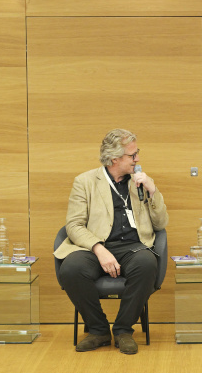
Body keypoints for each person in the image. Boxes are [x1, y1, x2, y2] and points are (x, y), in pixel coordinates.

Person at [55, 129, 169, 355]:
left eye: (137, 154)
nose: (137, 159)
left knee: (146, 265)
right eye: (132, 155)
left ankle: (123, 330)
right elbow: (74, 225)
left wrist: (152, 189)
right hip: (95, 245)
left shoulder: (140, 181)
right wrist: (99, 249)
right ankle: (98, 330)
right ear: (115, 158)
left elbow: (161, 223)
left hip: (133, 246)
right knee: (71, 269)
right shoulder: (85, 182)